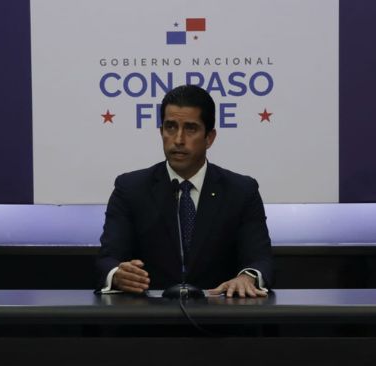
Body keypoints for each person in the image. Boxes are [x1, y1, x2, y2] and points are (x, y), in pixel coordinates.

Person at [97, 85, 273, 297]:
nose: (178, 139)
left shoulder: (241, 191)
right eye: (170, 127)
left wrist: (247, 277)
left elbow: (260, 259)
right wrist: (117, 274)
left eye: (190, 128)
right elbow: (107, 258)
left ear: (210, 137)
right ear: (161, 131)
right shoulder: (131, 188)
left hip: (221, 318)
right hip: (148, 317)